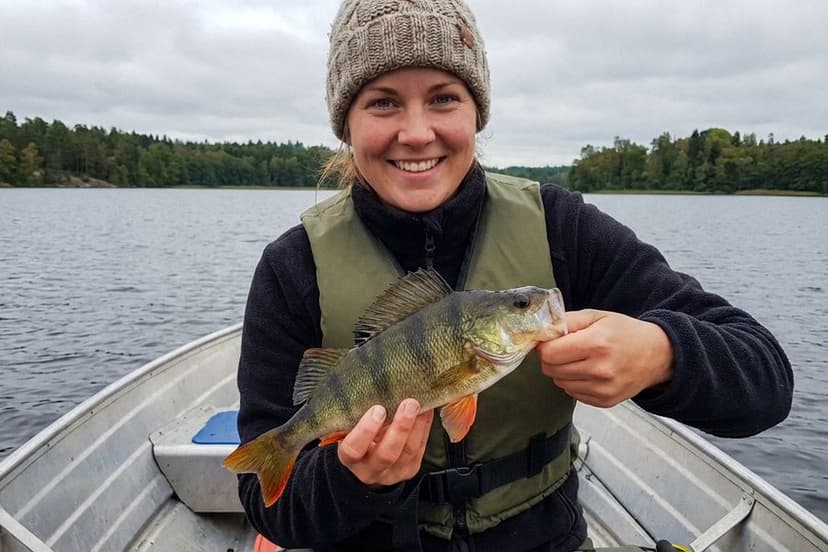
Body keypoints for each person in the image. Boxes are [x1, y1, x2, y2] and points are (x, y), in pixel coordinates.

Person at [235, 0, 793, 550]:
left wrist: (661, 353)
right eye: (383, 103)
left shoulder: (562, 229)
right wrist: (349, 479)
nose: (416, 132)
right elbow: (270, 508)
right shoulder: (293, 267)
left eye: (444, 98)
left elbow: (766, 380)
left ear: (476, 112)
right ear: (345, 124)